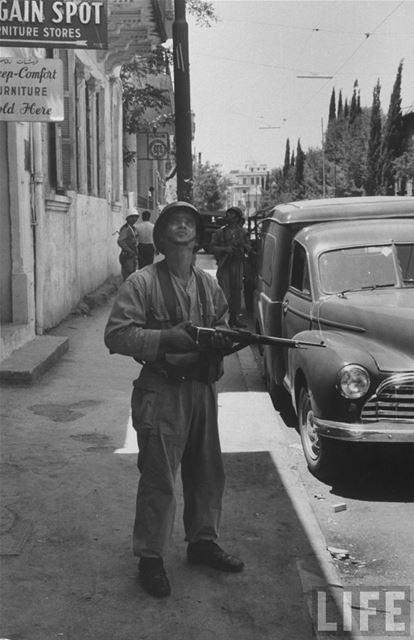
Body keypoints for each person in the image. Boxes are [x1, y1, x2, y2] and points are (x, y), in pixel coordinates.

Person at [104, 201, 244, 599]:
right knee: (159, 479)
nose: (182, 226)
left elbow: (223, 323)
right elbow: (116, 336)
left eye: (189, 222)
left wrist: (222, 341)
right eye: (173, 222)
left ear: (198, 237)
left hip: (202, 389)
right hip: (162, 390)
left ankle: (202, 542)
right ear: (161, 238)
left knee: (206, 471)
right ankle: (150, 558)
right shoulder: (142, 283)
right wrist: (166, 338)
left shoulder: (208, 283)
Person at [209, 206, 251, 328]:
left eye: (231, 213)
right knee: (223, 292)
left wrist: (245, 247)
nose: (228, 216)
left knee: (237, 292)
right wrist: (225, 249)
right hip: (225, 265)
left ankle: (234, 318)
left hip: (237, 265)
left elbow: (249, 247)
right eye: (228, 214)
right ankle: (220, 319)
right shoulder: (219, 232)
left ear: (237, 217)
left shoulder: (243, 232)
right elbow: (211, 247)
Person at [118, 208, 139, 280]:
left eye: (136, 217)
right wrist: (129, 250)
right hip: (127, 257)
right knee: (128, 277)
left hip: (132, 256)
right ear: (128, 218)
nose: (135, 219)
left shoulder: (133, 228)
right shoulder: (126, 229)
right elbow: (120, 241)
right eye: (132, 217)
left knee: (132, 276)